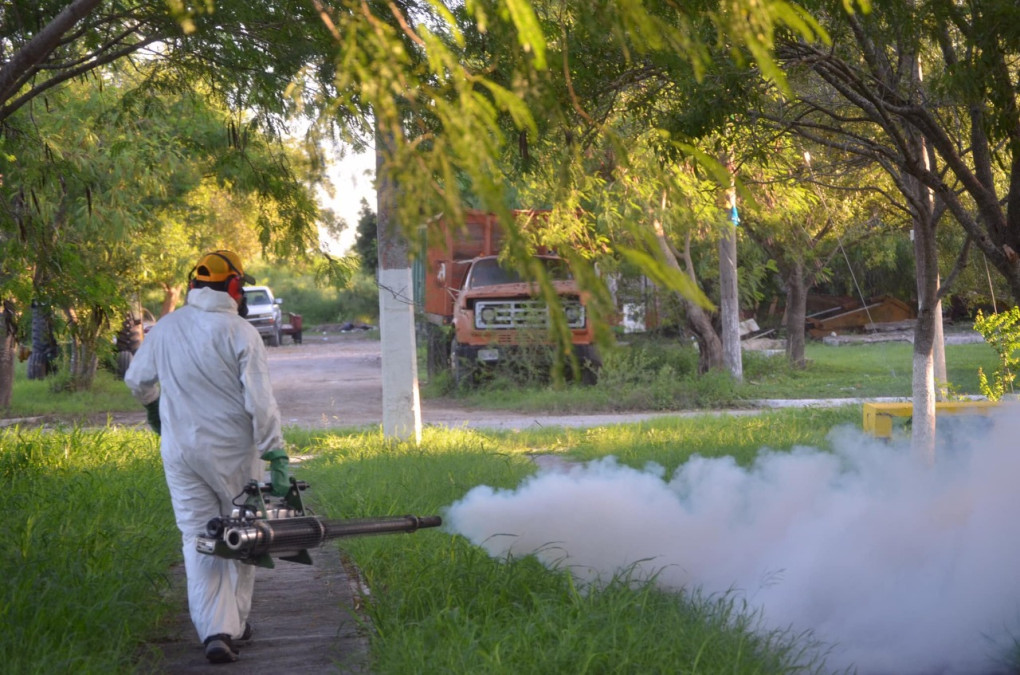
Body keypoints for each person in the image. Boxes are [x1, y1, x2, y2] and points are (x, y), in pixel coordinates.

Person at [125, 250, 291, 664]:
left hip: (181, 452)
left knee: (199, 537)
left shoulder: (165, 328)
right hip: (233, 452)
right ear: (234, 286)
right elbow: (261, 402)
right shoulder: (240, 332)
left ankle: (217, 629)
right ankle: (233, 624)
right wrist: (276, 453)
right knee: (243, 534)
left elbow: (136, 378)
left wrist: (152, 408)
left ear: (194, 286)